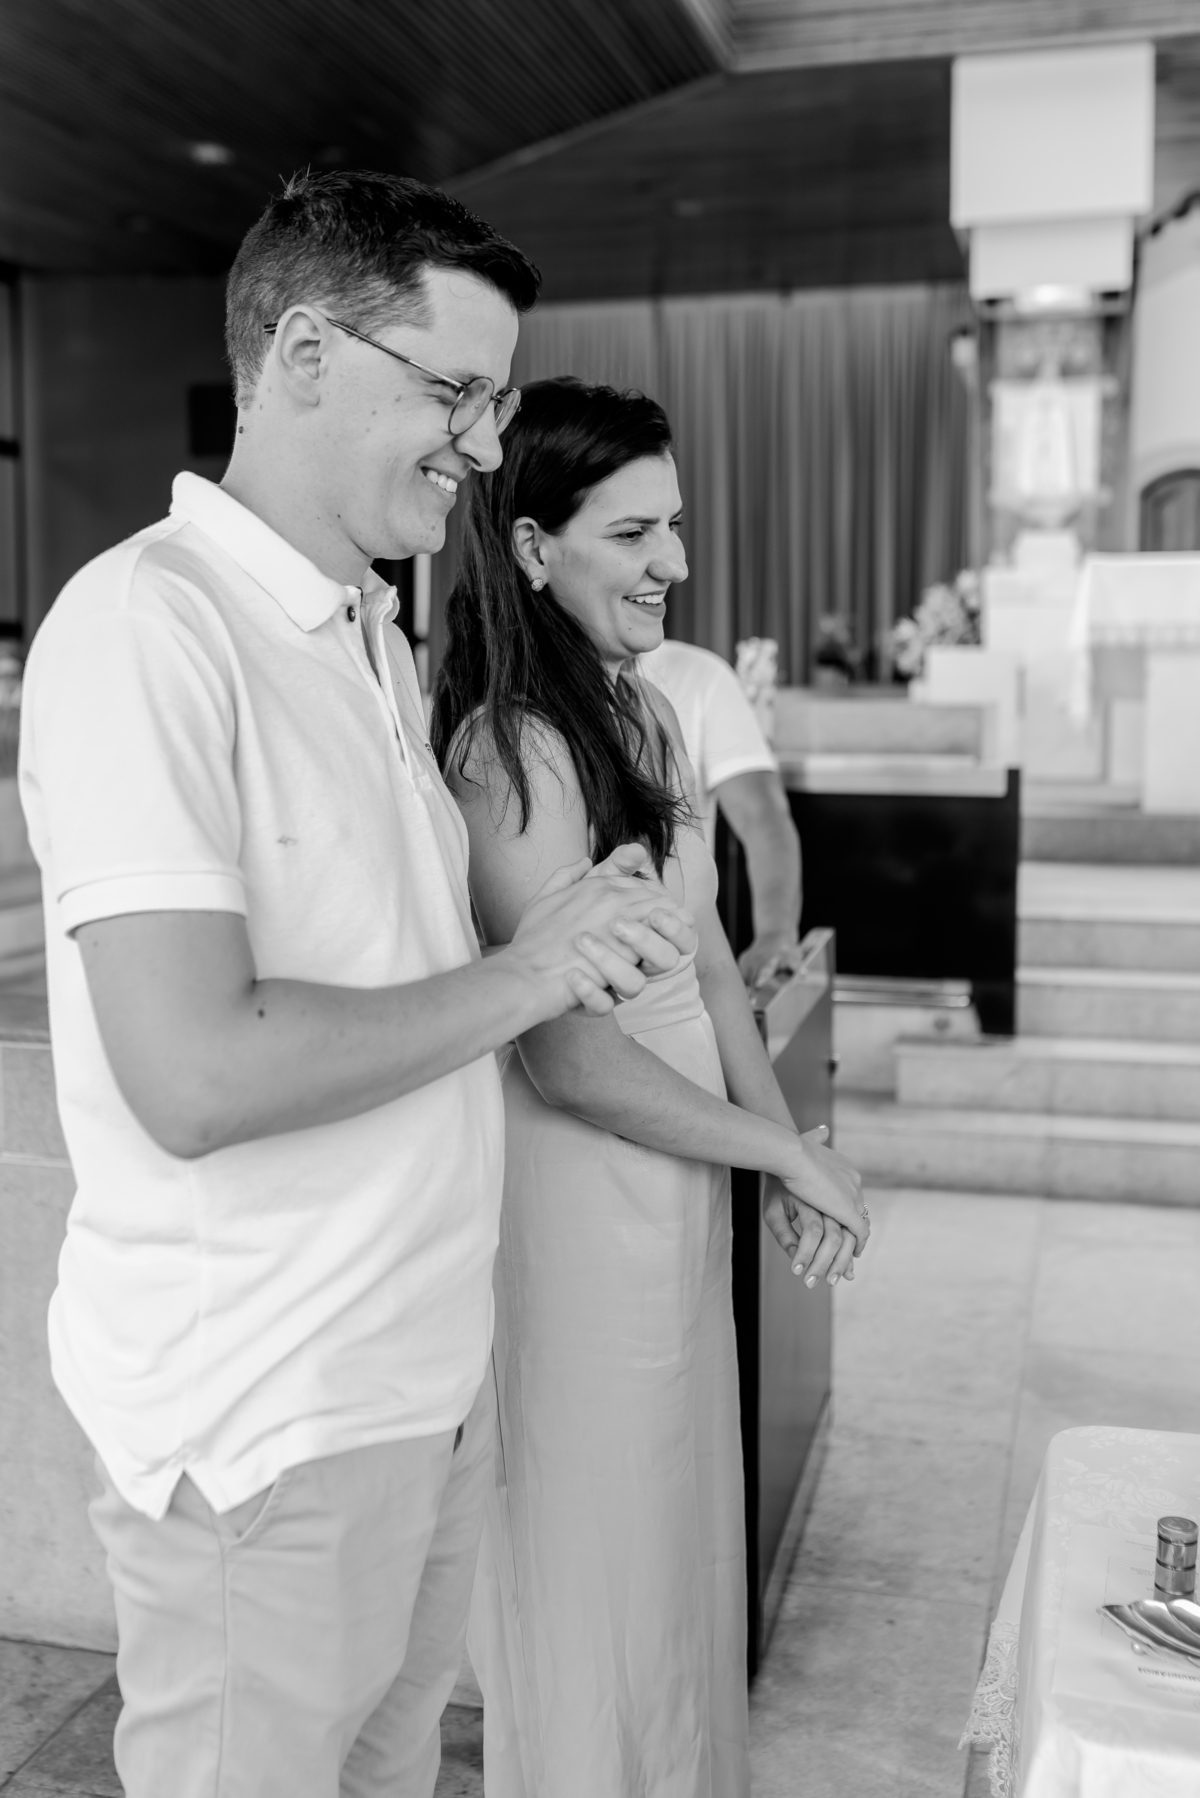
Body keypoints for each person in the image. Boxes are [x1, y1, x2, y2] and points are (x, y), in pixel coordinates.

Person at [17, 175, 697, 1798]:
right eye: (454, 390)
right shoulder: (145, 628)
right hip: (266, 1427)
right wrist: (528, 974)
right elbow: (196, 1070)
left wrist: (551, 935)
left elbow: (388, 981)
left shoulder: (366, 640)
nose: (480, 440)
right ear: (307, 351)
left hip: (412, 1386)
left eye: (499, 398)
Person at [432, 378, 869, 1798]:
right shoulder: (513, 747)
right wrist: (771, 1150)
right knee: (601, 1562)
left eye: (674, 525)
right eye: (634, 532)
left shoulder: (648, 711)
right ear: (534, 546)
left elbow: (709, 976)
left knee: (683, 1544)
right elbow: (563, 1051)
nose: (674, 562)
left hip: (679, 1182)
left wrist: (786, 1141)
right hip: (580, 1204)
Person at [641, 636, 803, 987]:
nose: (672, 576)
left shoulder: (701, 677)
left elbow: (763, 820)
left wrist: (775, 934)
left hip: (688, 969)